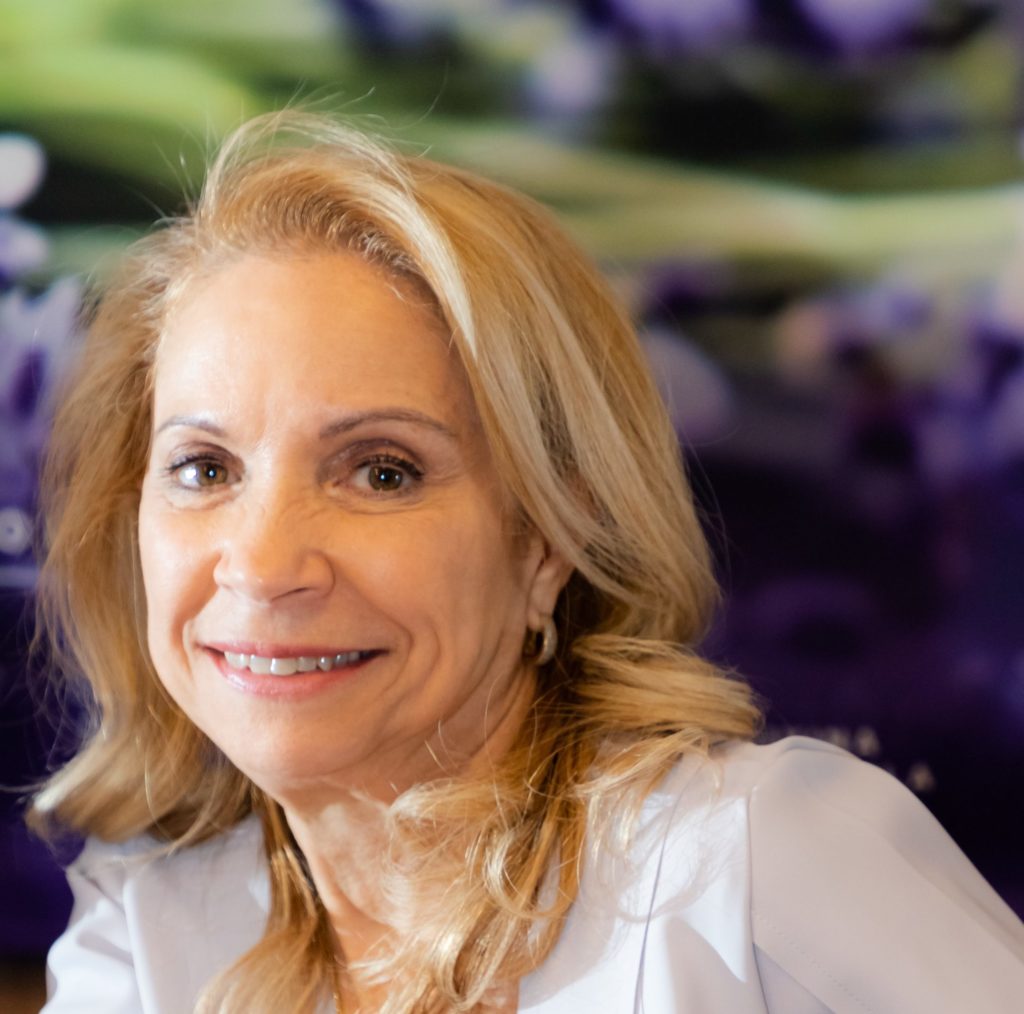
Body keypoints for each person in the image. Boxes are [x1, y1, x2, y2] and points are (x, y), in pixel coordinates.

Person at [33, 110, 1023, 1013]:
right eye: (204, 469)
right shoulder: (148, 937)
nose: (261, 564)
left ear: (550, 536)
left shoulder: (758, 866)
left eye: (381, 472)